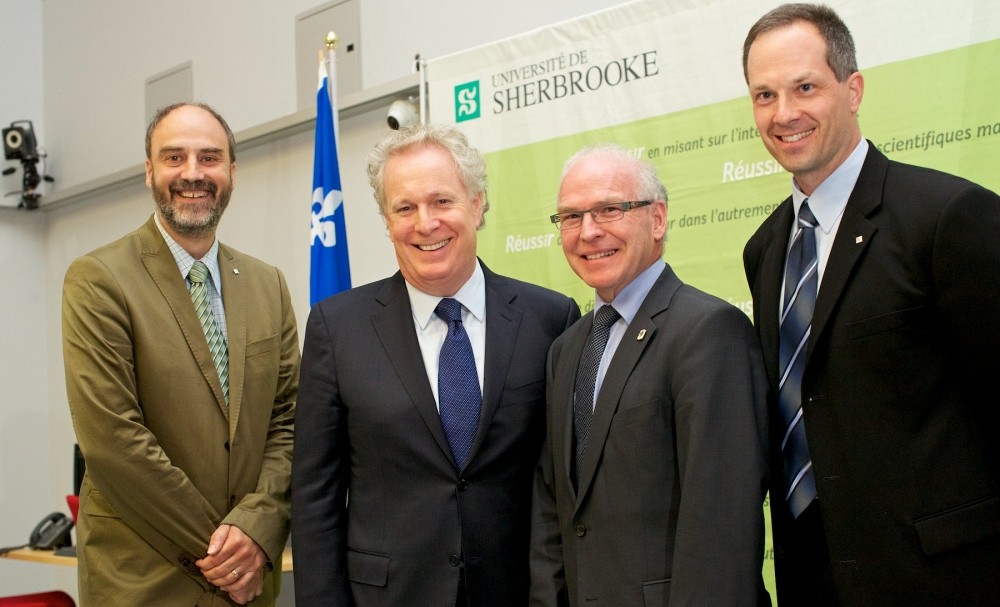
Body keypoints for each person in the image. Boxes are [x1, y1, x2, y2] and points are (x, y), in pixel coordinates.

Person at [742, 4, 1000, 605]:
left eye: (806, 87)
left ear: (852, 89)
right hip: (815, 580)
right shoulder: (765, 250)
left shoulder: (947, 218)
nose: (785, 114)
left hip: (947, 580)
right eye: (764, 95)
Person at [291, 123, 580, 607]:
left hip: (518, 593)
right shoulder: (337, 329)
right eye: (405, 207)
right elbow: (315, 497)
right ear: (387, 220)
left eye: (442, 201)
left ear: (477, 203)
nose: (425, 223)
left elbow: (563, 486)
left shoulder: (550, 319)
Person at [62, 102, 300, 606]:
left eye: (210, 158)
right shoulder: (99, 279)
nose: (193, 173)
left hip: (248, 584)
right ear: (149, 171)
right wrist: (227, 556)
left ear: (232, 172)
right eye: (174, 158)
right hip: (145, 581)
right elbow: (113, 439)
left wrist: (257, 529)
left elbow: (289, 422)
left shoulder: (268, 284)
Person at [529, 144, 770, 606]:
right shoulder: (566, 349)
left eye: (609, 210)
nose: (589, 232)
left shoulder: (708, 331)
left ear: (657, 219)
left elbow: (721, 524)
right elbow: (552, 509)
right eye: (571, 217)